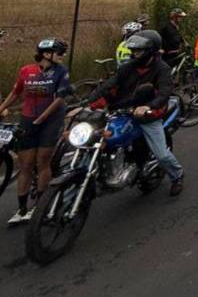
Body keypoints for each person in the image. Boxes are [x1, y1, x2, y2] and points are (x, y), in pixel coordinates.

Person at [85, 30, 184, 196]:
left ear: (151, 51)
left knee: (161, 155)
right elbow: (109, 87)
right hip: (123, 112)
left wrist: (148, 106)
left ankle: (177, 175)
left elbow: (164, 92)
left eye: (139, 50)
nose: (134, 53)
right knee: (95, 140)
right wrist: (87, 104)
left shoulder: (162, 69)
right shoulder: (126, 68)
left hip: (148, 115)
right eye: (133, 50)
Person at [0, 39, 71, 224]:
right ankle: (22, 208)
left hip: (51, 120)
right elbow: (16, 92)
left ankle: (40, 206)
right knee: (26, 164)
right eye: (59, 53)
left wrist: (41, 119)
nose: (62, 56)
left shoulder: (61, 72)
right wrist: (1, 108)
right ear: (47, 54)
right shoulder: (26, 70)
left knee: (42, 161)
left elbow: (59, 99)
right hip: (28, 118)